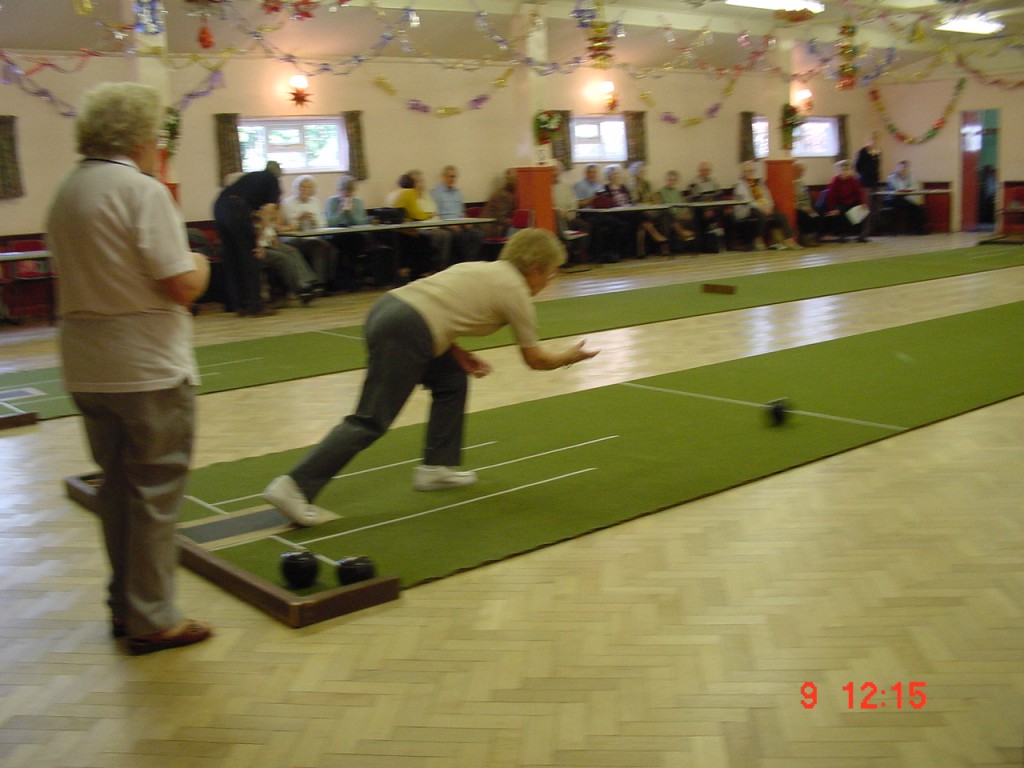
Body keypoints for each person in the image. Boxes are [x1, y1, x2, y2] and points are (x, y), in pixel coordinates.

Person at [263, 228, 600, 526]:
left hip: (390, 310)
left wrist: (454, 350)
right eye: (553, 273)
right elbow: (536, 360)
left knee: (451, 380)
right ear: (536, 269)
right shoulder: (516, 292)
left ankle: (436, 469)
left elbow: (440, 305)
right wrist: (569, 357)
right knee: (370, 419)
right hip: (406, 329)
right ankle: (293, 487)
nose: (551, 280)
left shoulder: (484, 269)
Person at [46, 81, 213, 654]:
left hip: (87, 366)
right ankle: (152, 617)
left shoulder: (67, 190)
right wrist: (201, 259)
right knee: (155, 494)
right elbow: (181, 285)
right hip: (145, 368)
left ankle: (126, 606)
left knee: (117, 492)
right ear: (142, 136)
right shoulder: (140, 190)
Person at [213, 160, 282, 317]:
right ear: (278, 174)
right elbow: (268, 211)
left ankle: (239, 305)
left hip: (219, 206)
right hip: (236, 208)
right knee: (251, 257)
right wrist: (257, 241)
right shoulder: (273, 180)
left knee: (232, 257)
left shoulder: (253, 177)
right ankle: (256, 306)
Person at [278, 174, 338, 291]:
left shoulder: (315, 202)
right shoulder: (288, 203)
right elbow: (287, 226)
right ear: (296, 188)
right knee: (318, 247)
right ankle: (318, 284)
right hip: (293, 239)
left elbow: (323, 223)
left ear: (312, 189)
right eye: (302, 187)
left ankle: (330, 283)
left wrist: (313, 220)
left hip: (313, 237)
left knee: (332, 249)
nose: (304, 189)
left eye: (307, 187)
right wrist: (299, 219)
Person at [255, 203, 319, 306]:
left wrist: (275, 235)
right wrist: (264, 223)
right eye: (270, 211)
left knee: (293, 251)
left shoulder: (271, 221)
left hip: (272, 245)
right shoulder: (256, 220)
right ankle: (301, 289)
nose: (273, 213)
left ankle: (307, 283)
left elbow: (277, 231)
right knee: (285, 257)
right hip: (261, 248)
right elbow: (256, 238)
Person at [731, 161, 800, 250]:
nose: (750, 173)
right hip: (747, 210)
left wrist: (769, 206)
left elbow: (767, 196)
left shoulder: (759, 183)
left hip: (763, 208)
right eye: (748, 171)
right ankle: (758, 240)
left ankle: (789, 240)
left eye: (752, 171)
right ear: (743, 173)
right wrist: (761, 207)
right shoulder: (740, 185)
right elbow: (747, 201)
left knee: (781, 216)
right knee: (761, 215)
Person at [430, 165, 483, 262]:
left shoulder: (457, 192)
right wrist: (449, 225)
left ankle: (472, 261)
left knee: (477, 233)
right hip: (445, 224)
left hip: (460, 222)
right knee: (460, 234)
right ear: (444, 176)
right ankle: (465, 261)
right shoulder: (436, 192)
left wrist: (467, 222)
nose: (452, 179)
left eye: (454, 176)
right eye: (450, 176)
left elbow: (462, 212)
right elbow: (436, 214)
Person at [822, 159, 870, 242]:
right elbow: (831, 196)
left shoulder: (853, 180)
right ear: (839, 171)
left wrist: (863, 204)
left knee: (864, 211)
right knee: (841, 212)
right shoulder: (836, 180)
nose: (846, 172)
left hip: (852, 202)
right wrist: (832, 208)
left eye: (847, 169)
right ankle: (842, 235)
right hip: (840, 203)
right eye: (843, 170)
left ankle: (862, 235)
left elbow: (859, 193)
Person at [628, 161, 670, 257]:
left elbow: (654, 197)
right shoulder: (632, 185)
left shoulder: (647, 183)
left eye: (644, 171)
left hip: (651, 208)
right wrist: (648, 202)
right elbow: (635, 201)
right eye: (641, 172)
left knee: (666, 214)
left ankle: (664, 247)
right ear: (635, 173)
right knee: (641, 215)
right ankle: (657, 237)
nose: (643, 174)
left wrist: (653, 201)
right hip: (641, 210)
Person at [655, 170, 697, 252]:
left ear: (676, 181)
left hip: (679, 213)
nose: (671, 182)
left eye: (673, 180)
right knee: (669, 217)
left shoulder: (677, 191)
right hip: (670, 214)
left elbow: (682, 203)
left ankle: (691, 244)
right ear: (666, 180)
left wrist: (684, 212)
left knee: (692, 215)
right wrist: (678, 213)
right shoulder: (662, 191)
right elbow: (668, 205)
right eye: (669, 180)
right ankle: (682, 233)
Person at [886, 160, 929, 234]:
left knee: (917, 208)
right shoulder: (892, 177)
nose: (903, 169)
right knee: (912, 206)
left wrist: (908, 190)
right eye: (901, 167)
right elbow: (897, 188)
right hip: (892, 198)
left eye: (905, 167)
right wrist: (906, 189)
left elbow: (914, 186)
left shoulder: (910, 176)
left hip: (904, 198)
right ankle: (916, 229)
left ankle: (918, 229)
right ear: (897, 168)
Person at [854, 131, 883, 237]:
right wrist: (864, 175)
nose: (874, 141)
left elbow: (878, 166)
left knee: (876, 208)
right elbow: (857, 166)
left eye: (876, 139)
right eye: (872, 139)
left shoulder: (878, 152)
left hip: (875, 182)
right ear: (869, 140)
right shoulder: (863, 151)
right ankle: (864, 232)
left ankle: (873, 230)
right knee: (867, 208)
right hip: (865, 183)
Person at [792, 162, 824, 247]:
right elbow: (792, 200)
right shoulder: (790, 183)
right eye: (799, 171)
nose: (801, 173)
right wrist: (801, 207)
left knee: (817, 214)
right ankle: (805, 238)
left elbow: (807, 197)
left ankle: (814, 237)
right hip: (796, 207)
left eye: (802, 171)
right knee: (804, 216)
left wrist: (809, 206)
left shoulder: (801, 183)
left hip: (805, 206)